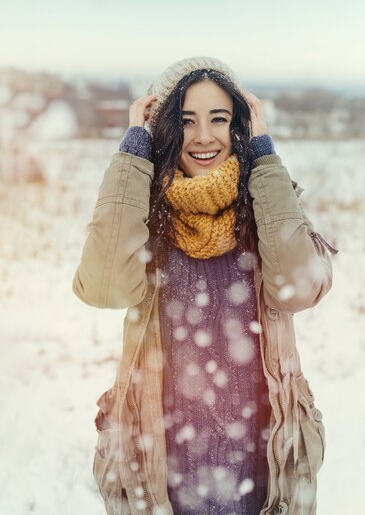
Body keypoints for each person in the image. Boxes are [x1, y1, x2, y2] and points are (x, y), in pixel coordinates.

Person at [73, 56, 338, 515]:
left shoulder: (269, 209)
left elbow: (298, 288)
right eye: (185, 121)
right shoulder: (144, 219)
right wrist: (134, 149)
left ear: (238, 126)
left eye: (220, 119)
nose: (203, 136)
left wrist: (264, 155)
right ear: (165, 132)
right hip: (162, 475)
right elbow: (104, 287)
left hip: (261, 472)